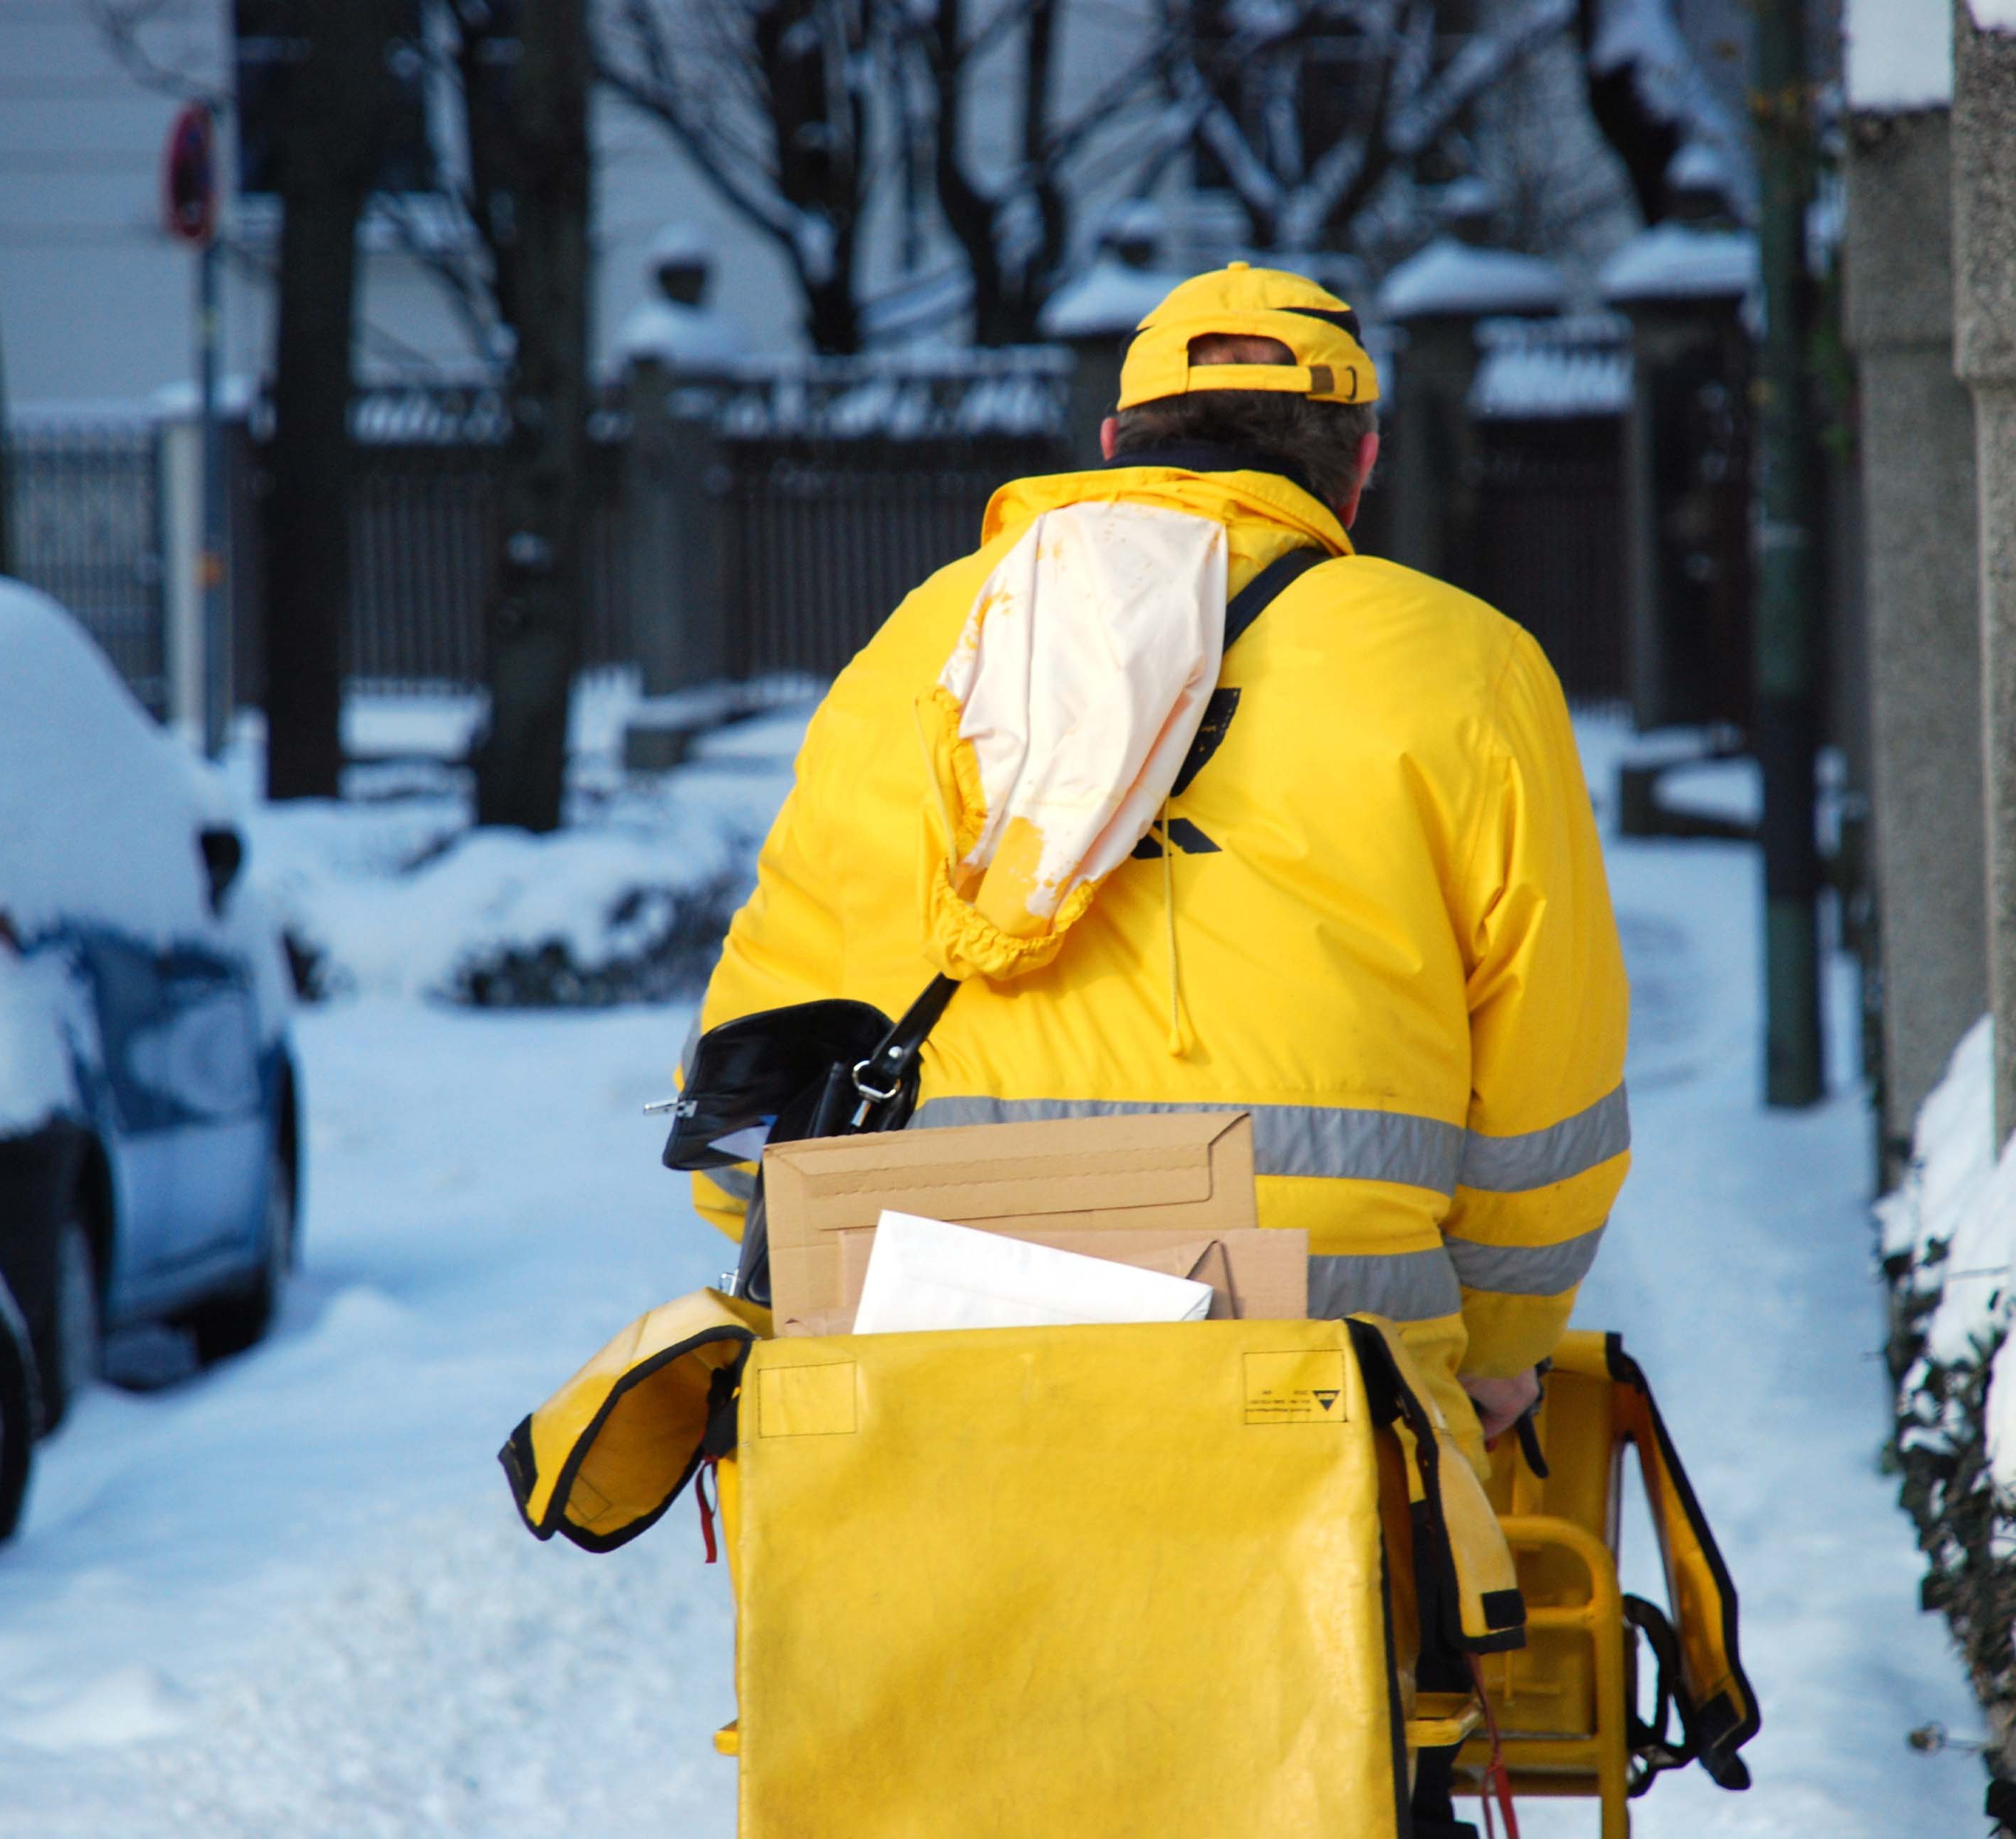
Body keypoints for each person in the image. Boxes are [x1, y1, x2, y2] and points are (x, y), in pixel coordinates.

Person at [685, 259, 1628, 1462]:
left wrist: (775, 1236)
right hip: (1330, 1367)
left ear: (1114, 439)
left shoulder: (927, 639)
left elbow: (770, 1002)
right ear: (1364, 463)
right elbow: (1552, 1071)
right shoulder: (1466, 665)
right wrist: (1497, 1346)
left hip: (938, 1339)